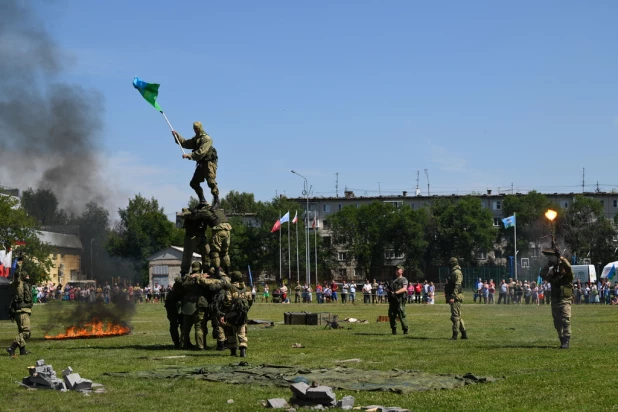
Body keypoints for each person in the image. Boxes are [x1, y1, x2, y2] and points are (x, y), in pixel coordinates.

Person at [173, 122, 220, 208]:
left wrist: (189, 155)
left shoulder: (206, 139)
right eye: (194, 129)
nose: (195, 130)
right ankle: (203, 201)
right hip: (201, 164)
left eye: (197, 129)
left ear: (200, 128)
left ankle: (216, 200)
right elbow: (185, 143)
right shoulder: (196, 139)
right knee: (194, 183)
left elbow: (201, 152)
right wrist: (176, 135)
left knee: (211, 182)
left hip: (209, 163)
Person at [540, 248, 574, 349]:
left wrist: (561, 257)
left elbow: (569, 267)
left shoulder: (568, 277)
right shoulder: (553, 277)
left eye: (561, 268)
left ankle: (566, 340)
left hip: (565, 300)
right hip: (555, 300)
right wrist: (548, 265)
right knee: (557, 322)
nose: (559, 269)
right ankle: (561, 338)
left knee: (565, 320)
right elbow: (542, 274)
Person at [216, 271, 252, 357]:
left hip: (231, 315)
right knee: (242, 332)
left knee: (231, 332)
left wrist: (222, 314)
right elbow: (250, 301)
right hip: (243, 316)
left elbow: (227, 302)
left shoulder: (230, 289)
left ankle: (233, 352)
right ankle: (243, 350)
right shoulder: (247, 289)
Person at [7, 256, 33, 357]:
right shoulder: (19, 284)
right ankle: (12, 347)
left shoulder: (24, 284)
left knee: (22, 332)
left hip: (22, 311)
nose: (28, 278)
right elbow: (17, 274)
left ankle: (22, 351)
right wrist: (19, 264)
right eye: (26, 276)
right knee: (26, 332)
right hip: (22, 311)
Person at [445, 257, 467, 340]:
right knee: (458, 316)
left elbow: (457, 285)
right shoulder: (453, 272)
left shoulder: (457, 272)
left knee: (455, 317)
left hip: (456, 297)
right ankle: (464, 334)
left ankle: (455, 335)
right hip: (453, 295)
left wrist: (453, 296)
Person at [387, 265, 409, 335]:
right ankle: (394, 329)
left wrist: (396, 293)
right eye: (396, 269)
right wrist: (388, 290)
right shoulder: (393, 280)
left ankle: (405, 330)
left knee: (402, 315)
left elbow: (404, 288)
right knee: (391, 315)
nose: (396, 270)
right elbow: (389, 288)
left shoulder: (404, 279)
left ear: (402, 271)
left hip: (400, 300)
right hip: (392, 300)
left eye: (398, 269)